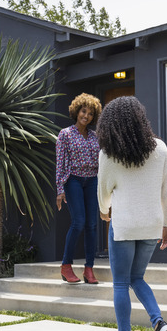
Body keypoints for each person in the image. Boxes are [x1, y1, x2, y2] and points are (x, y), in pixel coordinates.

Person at [97, 96, 167, 331]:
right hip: (152, 224)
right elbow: (166, 192)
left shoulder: (108, 154)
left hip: (124, 225)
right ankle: (158, 322)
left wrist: (105, 212)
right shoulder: (161, 148)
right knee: (137, 278)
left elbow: (103, 193)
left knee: (120, 282)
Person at [55, 93, 102, 284]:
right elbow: (60, 162)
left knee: (92, 225)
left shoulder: (95, 136)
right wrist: (60, 188)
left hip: (92, 180)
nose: (87, 116)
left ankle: (89, 269)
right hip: (73, 179)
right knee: (79, 222)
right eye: (84, 111)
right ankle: (66, 266)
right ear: (77, 111)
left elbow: (101, 161)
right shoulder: (65, 134)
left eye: (91, 113)